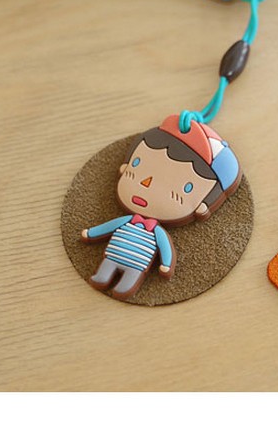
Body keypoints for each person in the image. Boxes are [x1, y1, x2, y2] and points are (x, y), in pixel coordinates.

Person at [82, 114, 241, 300]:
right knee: (106, 269)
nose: (146, 183)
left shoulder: (157, 232)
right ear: (125, 167)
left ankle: (125, 287)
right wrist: (91, 233)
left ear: (202, 205)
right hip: (112, 255)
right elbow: (108, 227)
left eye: (186, 187)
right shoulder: (127, 221)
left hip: (137, 264)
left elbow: (165, 247)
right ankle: (102, 277)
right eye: (137, 163)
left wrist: (166, 263)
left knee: (129, 279)